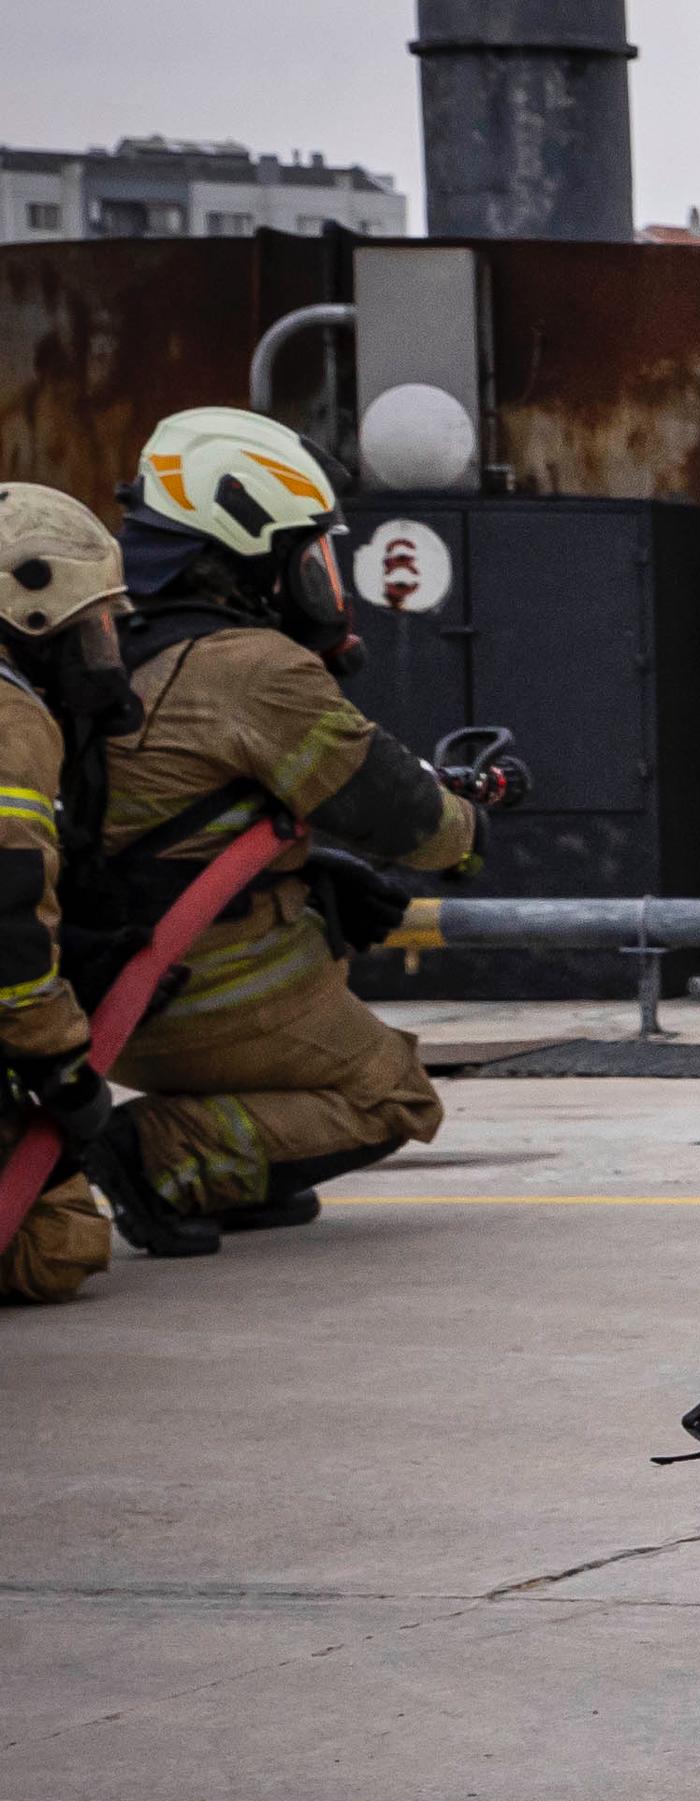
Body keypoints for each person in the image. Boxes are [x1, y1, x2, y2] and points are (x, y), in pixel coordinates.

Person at [79, 411, 503, 1258]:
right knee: (395, 1094)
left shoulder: (100, 639)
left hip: (98, 993)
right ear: (252, 548)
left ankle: (235, 1177)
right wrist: (471, 823)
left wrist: (313, 871)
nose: (319, 577)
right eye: (308, 552)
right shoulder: (251, 668)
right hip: (192, 1002)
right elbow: (417, 827)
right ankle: (169, 1156)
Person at [0, 484, 133, 1301]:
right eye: (90, 628)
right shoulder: (13, 720)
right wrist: (61, 1069)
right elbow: (5, 909)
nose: (100, 654)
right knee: (57, 1243)